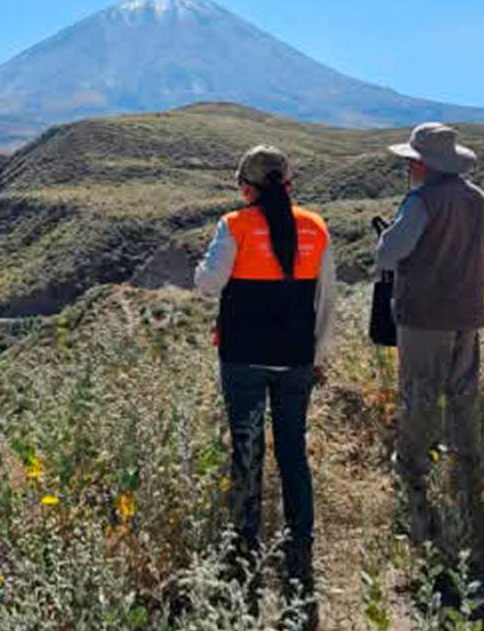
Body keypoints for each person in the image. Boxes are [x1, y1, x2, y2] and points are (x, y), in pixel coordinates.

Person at [195, 145, 336, 624]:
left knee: (247, 448)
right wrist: (316, 356)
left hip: (244, 358)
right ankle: (301, 541)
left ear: (247, 187)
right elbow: (326, 298)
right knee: (293, 449)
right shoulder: (316, 227)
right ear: (289, 184)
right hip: (296, 359)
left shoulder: (233, 225)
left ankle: (244, 541)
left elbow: (208, 284)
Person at [375, 122, 484, 545]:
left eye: (411, 160)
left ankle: (412, 475)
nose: (409, 166)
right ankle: (469, 469)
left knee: (420, 393)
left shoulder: (422, 200)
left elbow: (390, 252)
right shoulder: (479, 200)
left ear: (422, 163)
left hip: (426, 314)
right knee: (463, 391)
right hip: (468, 309)